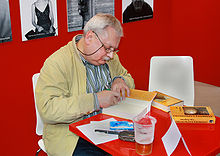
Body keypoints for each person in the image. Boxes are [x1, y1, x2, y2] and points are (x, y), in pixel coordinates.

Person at [35, 13, 135, 156]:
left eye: (114, 50)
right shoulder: (57, 62)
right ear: (89, 37)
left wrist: (120, 80)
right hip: (71, 136)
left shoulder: (109, 58)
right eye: (107, 48)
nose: (111, 55)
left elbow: (128, 78)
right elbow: (48, 110)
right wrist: (95, 100)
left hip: (107, 126)